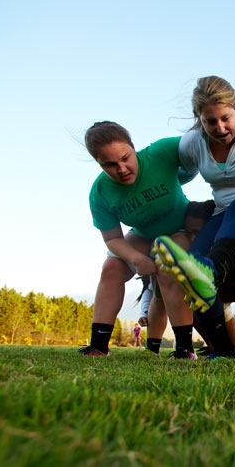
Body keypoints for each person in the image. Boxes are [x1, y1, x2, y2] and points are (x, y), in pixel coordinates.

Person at [153, 75, 235, 359]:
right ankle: (223, 350)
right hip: (225, 216)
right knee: (193, 265)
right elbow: (182, 173)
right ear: (199, 119)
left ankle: (211, 271)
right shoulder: (193, 143)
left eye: (225, 118)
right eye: (210, 121)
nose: (220, 127)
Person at [81, 121, 197, 358]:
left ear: (134, 148)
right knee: (111, 266)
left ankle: (184, 348)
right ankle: (98, 346)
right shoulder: (100, 192)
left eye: (125, 158)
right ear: (98, 163)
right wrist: (136, 258)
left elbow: (202, 141)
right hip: (143, 234)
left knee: (168, 264)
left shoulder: (161, 152)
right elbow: (112, 238)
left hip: (180, 228)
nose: (122, 169)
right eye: (110, 165)